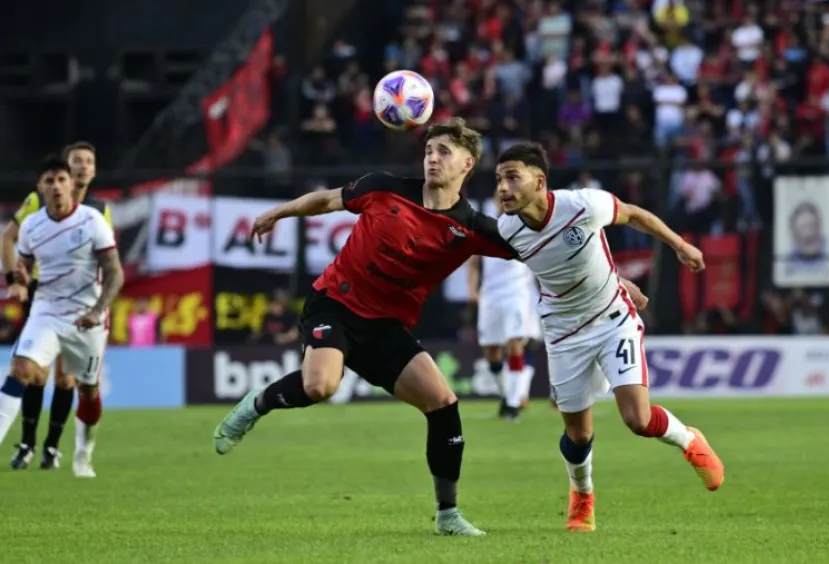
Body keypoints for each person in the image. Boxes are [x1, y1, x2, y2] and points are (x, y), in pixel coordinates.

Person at [213, 117, 649, 536]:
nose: (433, 158)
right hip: (336, 303)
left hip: (385, 326)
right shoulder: (383, 188)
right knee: (321, 385)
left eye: (444, 151)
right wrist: (279, 212)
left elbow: (548, 256)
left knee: (443, 403)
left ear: (467, 164)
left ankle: (448, 515)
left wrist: (616, 281)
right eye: (428, 150)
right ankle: (258, 403)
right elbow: (325, 200)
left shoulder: (473, 227)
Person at [492, 142, 725, 532]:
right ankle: (582, 496)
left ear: (539, 181)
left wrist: (680, 245)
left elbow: (634, 215)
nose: (503, 187)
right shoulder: (506, 230)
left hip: (612, 318)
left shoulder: (582, 205)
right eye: (498, 179)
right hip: (563, 332)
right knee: (577, 434)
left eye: (512, 177)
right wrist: (618, 278)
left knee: (636, 418)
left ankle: (688, 440)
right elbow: (562, 270)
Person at [0, 155, 123, 478]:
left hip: (88, 316)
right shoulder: (31, 225)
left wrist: (97, 312)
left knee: (87, 389)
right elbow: (23, 265)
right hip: (47, 310)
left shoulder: (92, 220)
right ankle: (20, 443)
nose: (55, 186)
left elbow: (115, 273)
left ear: (72, 184)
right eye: (48, 181)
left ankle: (84, 453)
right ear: (40, 188)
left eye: (61, 179)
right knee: (22, 369)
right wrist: (19, 283)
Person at [466, 194, 539, 421]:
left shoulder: (527, 227)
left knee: (515, 344)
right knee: (491, 351)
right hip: (490, 296)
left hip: (517, 294)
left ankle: (513, 403)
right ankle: (508, 395)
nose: (503, 201)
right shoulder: (486, 227)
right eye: (499, 198)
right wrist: (472, 289)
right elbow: (474, 261)